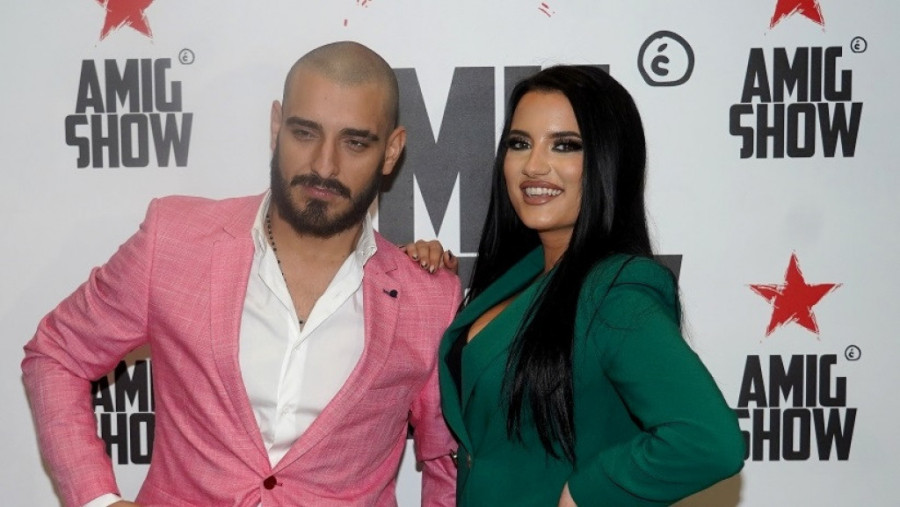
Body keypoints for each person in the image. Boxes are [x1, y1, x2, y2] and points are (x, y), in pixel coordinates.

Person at [22, 41, 460, 506]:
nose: (324, 165)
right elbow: (57, 353)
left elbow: (447, 463)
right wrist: (97, 500)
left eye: (354, 142)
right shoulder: (174, 240)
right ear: (276, 127)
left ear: (391, 151)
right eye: (305, 133)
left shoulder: (428, 298)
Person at [437, 66, 745, 506]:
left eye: (565, 145)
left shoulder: (616, 292)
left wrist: (587, 493)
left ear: (608, 160)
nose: (533, 165)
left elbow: (710, 441)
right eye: (519, 143)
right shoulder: (521, 276)